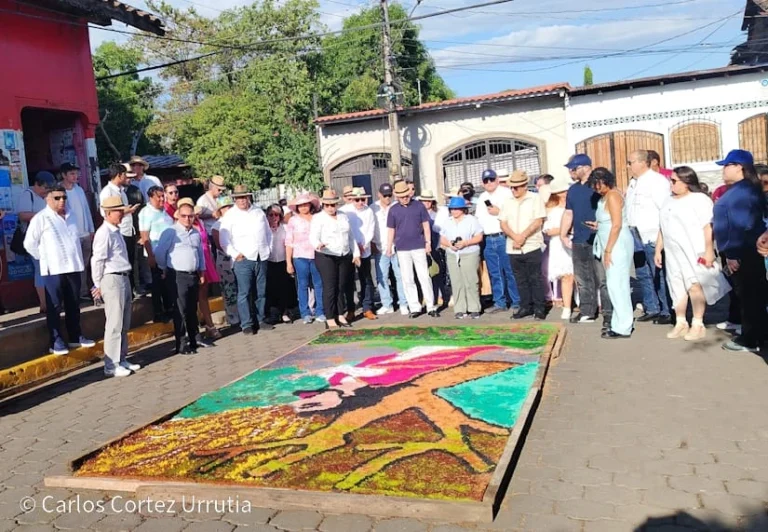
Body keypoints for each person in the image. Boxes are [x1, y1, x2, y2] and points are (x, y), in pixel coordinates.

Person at [655, 166, 728, 342]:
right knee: (676, 285)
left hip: (693, 249)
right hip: (673, 252)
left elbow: (707, 226)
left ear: (686, 182)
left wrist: (709, 250)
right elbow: (662, 227)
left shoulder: (699, 200)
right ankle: (681, 321)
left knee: (694, 285)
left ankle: (698, 323)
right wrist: (658, 249)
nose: (670, 184)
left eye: (674, 181)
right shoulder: (667, 201)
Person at [24, 185, 95, 355]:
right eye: (57, 198)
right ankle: (55, 340)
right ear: (47, 199)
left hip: (73, 266)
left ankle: (75, 336)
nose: (62, 201)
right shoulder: (41, 218)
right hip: (53, 269)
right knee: (54, 305)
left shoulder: (72, 216)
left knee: (73, 303)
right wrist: (45, 258)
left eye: (64, 197)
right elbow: (29, 243)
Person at [712, 150, 768, 353]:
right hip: (742, 251)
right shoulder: (740, 190)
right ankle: (757, 334)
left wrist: (734, 254)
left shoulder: (743, 192)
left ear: (739, 167)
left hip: (745, 253)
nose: (724, 170)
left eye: (727, 165)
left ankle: (751, 339)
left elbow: (742, 225)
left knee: (751, 296)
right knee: (750, 296)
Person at [91, 196, 140, 377]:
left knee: (124, 322)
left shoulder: (116, 231)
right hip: (112, 278)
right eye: (118, 211)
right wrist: (97, 284)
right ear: (108, 213)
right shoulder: (104, 233)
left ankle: (121, 357)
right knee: (114, 323)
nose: (121, 213)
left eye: (121, 210)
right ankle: (111, 364)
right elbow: (98, 260)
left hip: (123, 276)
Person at [560, 154, 611, 327]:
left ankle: (609, 313)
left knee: (603, 278)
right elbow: (569, 212)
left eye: (573, 169)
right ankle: (587, 311)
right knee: (582, 278)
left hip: (598, 238)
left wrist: (603, 223)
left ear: (584, 167)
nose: (570, 172)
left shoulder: (598, 186)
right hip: (579, 238)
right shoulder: (573, 189)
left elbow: (612, 205)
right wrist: (563, 234)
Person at [587, 168, 635, 339]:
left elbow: (617, 224)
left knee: (618, 285)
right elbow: (608, 222)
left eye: (598, 184)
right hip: (608, 239)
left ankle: (623, 326)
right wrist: (598, 225)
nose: (596, 188)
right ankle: (618, 322)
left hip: (617, 243)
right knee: (614, 284)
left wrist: (608, 250)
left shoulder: (613, 196)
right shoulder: (604, 197)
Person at [626, 149, 672, 324]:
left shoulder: (657, 181)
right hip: (635, 232)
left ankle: (666, 309)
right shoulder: (633, 183)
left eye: (631, 162)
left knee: (658, 273)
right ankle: (651, 307)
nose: (629, 166)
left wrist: (661, 236)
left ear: (642, 162)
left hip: (652, 234)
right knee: (642, 272)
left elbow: (664, 209)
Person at [219, 185, 272, 335]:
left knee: (261, 291)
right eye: (239, 198)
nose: (242, 200)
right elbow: (224, 240)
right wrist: (235, 254)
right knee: (244, 292)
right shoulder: (230, 216)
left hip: (261, 256)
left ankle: (260, 319)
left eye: (244, 197)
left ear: (248, 197)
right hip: (243, 258)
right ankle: (246, 323)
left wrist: (268, 249)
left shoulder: (258, 212)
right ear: (234, 199)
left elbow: (268, 233)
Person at [154, 202, 207, 355]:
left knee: (192, 308)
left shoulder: (195, 233)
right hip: (177, 275)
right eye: (184, 216)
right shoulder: (171, 232)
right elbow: (159, 253)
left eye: (190, 216)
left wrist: (202, 272)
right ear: (178, 215)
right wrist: (164, 268)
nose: (187, 219)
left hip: (192, 275)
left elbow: (200, 254)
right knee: (180, 310)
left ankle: (194, 338)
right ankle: (181, 344)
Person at [310, 189, 360, 329]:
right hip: (326, 255)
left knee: (341, 285)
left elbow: (351, 236)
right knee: (330, 286)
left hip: (343, 254)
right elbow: (313, 236)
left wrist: (355, 253)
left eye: (333, 205)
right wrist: (317, 244)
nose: (330, 208)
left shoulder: (343, 216)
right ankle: (330, 317)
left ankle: (339, 314)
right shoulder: (318, 218)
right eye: (327, 205)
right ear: (323, 205)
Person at [387, 181, 438, 318]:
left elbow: (426, 225)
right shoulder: (393, 210)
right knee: (407, 278)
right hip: (402, 248)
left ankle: (431, 306)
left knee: (424, 276)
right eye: (401, 196)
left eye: (406, 195)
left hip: (419, 246)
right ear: (397, 196)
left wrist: (428, 243)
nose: (405, 198)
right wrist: (389, 246)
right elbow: (391, 230)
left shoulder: (419, 206)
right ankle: (414, 307)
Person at [500, 171, 547, 320]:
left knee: (535, 277)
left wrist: (523, 236)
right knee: (520, 279)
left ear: (525, 186)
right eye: (512, 187)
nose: (514, 190)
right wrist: (515, 237)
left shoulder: (535, 199)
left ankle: (539, 307)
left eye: (517, 187)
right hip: (513, 245)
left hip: (531, 244)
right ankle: (525, 306)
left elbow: (538, 220)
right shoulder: (507, 201)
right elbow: (503, 222)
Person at [476, 169, 520, 314]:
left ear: (496, 179)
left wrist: (498, 212)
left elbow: (513, 214)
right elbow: (478, 219)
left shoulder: (506, 194)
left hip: (503, 236)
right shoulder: (481, 197)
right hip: (489, 238)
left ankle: (516, 301)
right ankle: (500, 302)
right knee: (494, 272)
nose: (489, 183)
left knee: (509, 271)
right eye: (486, 180)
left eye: (491, 179)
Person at [439, 196, 484, 319]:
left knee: (470, 281)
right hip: (453, 254)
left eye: (457, 208)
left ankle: (474, 308)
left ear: (463, 209)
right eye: (452, 209)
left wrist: (466, 243)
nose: (454, 211)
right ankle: (460, 309)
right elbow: (442, 237)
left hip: (469, 252)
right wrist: (449, 244)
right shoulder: (447, 221)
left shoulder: (471, 220)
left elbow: (479, 236)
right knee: (456, 281)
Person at [17, 170, 55, 313]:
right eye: (45, 188)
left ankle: (53, 299)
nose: (46, 191)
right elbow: (22, 215)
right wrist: (43, 216)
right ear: (37, 184)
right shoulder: (28, 195)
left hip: (50, 239)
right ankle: (44, 303)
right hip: (36, 240)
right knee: (40, 270)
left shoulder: (48, 196)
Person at [99, 163, 141, 294]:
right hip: (118, 231)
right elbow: (105, 212)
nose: (126, 177)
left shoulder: (121, 190)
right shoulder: (107, 191)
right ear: (119, 175)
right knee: (122, 260)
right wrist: (126, 211)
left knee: (131, 260)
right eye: (124, 175)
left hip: (128, 229)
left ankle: (133, 288)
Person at [184, 198, 221, 342]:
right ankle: (196, 328)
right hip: (194, 261)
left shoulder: (199, 222)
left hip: (205, 258)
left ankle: (209, 325)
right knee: (192, 297)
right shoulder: (182, 228)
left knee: (203, 295)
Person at [286, 193, 325, 324]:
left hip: (317, 255)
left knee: (318, 284)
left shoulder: (317, 218)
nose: (303, 207)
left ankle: (320, 311)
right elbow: (289, 242)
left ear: (310, 205)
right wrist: (288, 262)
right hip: (300, 256)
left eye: (305, 204)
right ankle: (305, 312)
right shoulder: (293, 221)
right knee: (302, 285)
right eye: (300, 205)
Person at [138, 185, 174, 323]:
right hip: (155, 254)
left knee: (167, 284)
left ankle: (169, 309)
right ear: (151, 197)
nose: (161, 199)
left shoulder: (164, 210)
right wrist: (151, 256)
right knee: (157, 285)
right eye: (158, 197)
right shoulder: (146, 213)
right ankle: (159, 313)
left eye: (162, 196)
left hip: (167, 254)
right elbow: (145, 236)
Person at [60, 163, 95, 301]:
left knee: (84, 264)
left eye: (76, 173)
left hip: (84, 232)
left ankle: (83, 291)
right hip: (70, 235)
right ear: (64, 175)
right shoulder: (59, 191)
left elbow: (86, 210)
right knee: (72, 264)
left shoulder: (79, 190)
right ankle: (73, 293)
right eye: (72, 174)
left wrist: (91, 229)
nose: (75, 176)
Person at [372, 183, 408, 316]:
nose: (387, 198)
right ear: (379, 194)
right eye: (385, 195)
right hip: (380, 247)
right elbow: (371, 227)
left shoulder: (397, 206)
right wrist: (372, 244)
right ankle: (387, 304)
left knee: (400, 276)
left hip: (397, 247)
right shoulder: (373, 208)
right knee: (382, 277)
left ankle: (403, 303)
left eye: (389, 195)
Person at [543, 182, 574, 320]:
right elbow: (548, 230)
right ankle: (567, 307)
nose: (566, 193)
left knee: (579, 275)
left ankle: (583, 303)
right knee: (566, 275)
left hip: (575, 241)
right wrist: (564, 229)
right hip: (559, 244)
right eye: (563, 191)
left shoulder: (574, 206)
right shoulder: (552, 210)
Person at [345, 188, 377, 320]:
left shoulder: (368, 211)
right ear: (352, 199)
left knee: (366, 279)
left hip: (364, 248)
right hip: (350, 249)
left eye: (362, 199)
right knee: (349, 281)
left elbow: (371, 228)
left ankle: (367, 307)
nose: (359, 202)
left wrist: (364, 244)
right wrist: (354, 246)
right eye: (356, 200)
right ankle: (351, 309)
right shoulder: (345, 210)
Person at [265, 204, 298, 324]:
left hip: (283, 260)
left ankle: (285, 312)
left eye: (277, 215)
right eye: (271, 215)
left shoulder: (285, 228)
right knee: (271, 288)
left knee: (284, 288)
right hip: (269, 261)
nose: (274, 217)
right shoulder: (264, 228)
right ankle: (273, 313)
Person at [211, 197, 239, 326]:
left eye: (230, 207)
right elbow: (220, 245)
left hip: (239, 256)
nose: (228, 210)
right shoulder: (217, 226)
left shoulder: (238, 221)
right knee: (229, 289)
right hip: (225, 259)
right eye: (225, 208)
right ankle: (233, 318)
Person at [419, 189, 449, 309]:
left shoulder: (438, 213)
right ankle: (426, 297)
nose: (426, 203)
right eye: (424, 200)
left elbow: (440, 230)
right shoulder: (417, 213)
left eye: (428, 200)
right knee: (424, 274)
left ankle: (440, 295)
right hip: (421, 247)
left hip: (435, 246)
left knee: (436, 272)